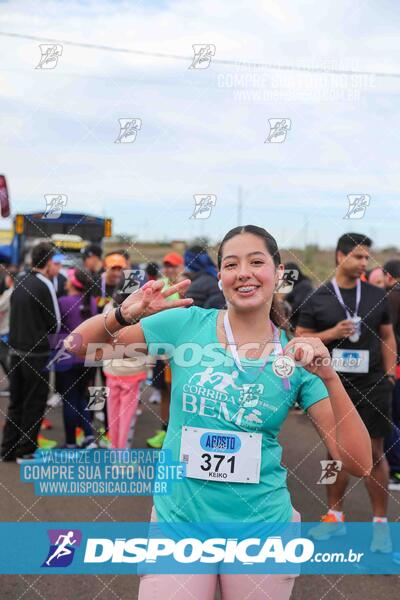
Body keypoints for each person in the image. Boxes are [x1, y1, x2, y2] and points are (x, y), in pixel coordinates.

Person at [68, 225, 371, 600]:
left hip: (261, 531)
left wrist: (329, 378)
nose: (243, 271)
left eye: (256, 261)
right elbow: (78, 346)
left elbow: (358, 464)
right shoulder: (184, 325)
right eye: (231, 264)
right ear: (221, 276)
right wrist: (122, 314)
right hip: (179, 524)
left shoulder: (297, 356)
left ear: (278, 274)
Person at [296, 233, 397, 551]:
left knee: (375, 451)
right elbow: (301, 338)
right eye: (358, 256)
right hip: (332, 384)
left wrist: (389, 377)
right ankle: (334, 516)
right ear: (340, 257)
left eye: (367, 257)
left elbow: (387, 337)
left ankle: (380, 526)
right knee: (333, 453)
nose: (364, 263)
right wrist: (332, 333)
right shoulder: (319, 297)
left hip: (372, 383)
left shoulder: (375, 294)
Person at [1, 242, 61, 462]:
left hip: (15, 351)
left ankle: (7, 449)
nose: (57, 268)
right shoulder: (45, 284)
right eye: (55, 262)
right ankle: (25, 451)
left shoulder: (20, 280)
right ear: (47, 263)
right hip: (36, 355)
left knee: (16, 402)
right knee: (34, 403)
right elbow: (54, 323)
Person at [56, 269, 98, 448]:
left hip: (68, 359)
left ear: (72, 283)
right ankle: (88, 435)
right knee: (82, 397)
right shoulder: (93, 302)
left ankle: (71, 442)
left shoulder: (62, 302)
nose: (64, 282)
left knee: (70, 400)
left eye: (67, 279)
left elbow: (55, 328)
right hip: (88, 358)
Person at [146, 252, 184, 448]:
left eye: (173, 266)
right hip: (162, 350)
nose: (169, 269)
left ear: (181, 267)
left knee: (178, 394)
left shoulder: (186, 285)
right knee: (164, 392)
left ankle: (176, 435)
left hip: (181, 351)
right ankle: (164, 432)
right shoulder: (160, 285)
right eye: (166, 265)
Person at [103, 286, 147, 448]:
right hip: (133, 371)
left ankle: (114, 448)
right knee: (127, 417)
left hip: (112, 369)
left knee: (113, 413)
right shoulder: (144, 311)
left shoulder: (109, 309)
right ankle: (122, 457)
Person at [383, 260, 400, 490]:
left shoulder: (394, 297)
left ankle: (395, 471)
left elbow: (386, 335)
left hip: (395, 370)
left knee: (391, 420)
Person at [284, 261, 314, 329]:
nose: (284, 279)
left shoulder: (305, 286)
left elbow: (297, 308)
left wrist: (283, 306)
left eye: (285, 276)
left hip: (300, 328)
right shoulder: (298, 285)